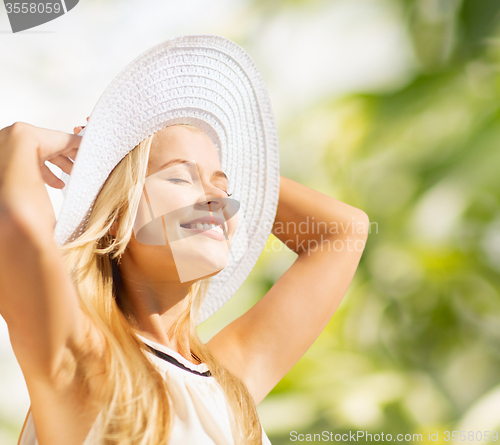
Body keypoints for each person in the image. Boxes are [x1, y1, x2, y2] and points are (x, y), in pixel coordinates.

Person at [0, 35, 369, 445]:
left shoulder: (229, 381)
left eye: (224, 188)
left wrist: (235, 169)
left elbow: (343, 232)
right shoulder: (84, 358)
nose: (217, 200)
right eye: (179, 177)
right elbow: (15, 228)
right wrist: (25, 141)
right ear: (114, 217)